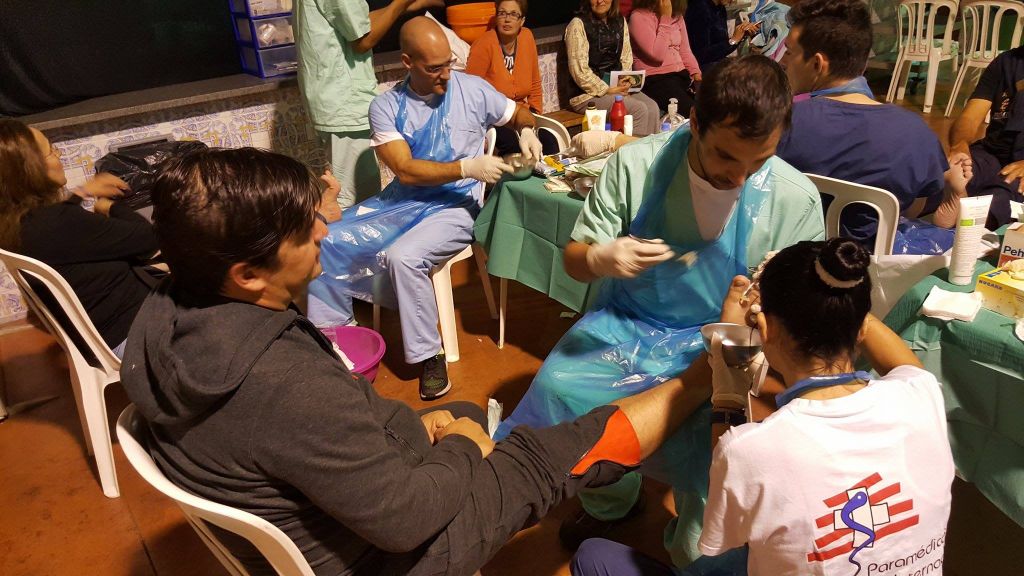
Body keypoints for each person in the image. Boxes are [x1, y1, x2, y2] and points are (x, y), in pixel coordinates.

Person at [122, 143, 736, 576]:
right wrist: (462, 446)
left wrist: (426, 430)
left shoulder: (167, 311)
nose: (324, 233)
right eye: (303, 231)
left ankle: (490, 456)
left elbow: (321, 431)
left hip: (334, 514)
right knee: (556, 447)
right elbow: (406, 520)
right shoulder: (282, 384)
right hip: (391, 555)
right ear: (247, 273)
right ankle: (698, 379)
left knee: (465, 409)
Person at [496, 55, 826, 568]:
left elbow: (799, 308)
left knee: (718, 442)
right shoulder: (637, 167)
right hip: (632, 323)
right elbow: (575, 260)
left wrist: (755, 319)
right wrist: (601, 258)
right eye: (725, 157)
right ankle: (611, 502)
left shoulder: (793, 199)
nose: (739, 177)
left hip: (726, 339)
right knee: (561, 387)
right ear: (694, 122)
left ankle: (697, 546)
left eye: (758, 162)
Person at [571, 238, 954, 576]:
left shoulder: (750, 452)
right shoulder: (921, 395)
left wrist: (728, 359)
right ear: (860, 328)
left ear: (765, 329)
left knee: (593, 557)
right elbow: (900, 363)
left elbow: (726, 536)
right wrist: (836, 299)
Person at [305, 17, 543, 400]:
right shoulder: (386, 107)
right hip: (403, 200)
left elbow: (517, 112)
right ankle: (337, 338)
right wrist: (467, 167)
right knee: (322, 238)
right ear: (407, 62)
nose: (446, 75)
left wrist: (528, 129)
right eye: (434, 68)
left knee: (403, 257)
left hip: (456, 206)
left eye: (448, 64)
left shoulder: (472, 89)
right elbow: (405, 169)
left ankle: (429, 355)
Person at [775, 0, 966, 253]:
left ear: (817, 64)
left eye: (790, 52)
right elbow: (910, 209)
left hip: (791, 253)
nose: (783, 62)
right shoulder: (916, 133)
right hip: (872, 260)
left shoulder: (779, 122)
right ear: (863, 63)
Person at [0, 119, 156, 357]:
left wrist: (82, 193)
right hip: (133, 335)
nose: (59, 155)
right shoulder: (58, 223)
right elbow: (149, 239)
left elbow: (63, 228)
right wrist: (111, 207)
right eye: (51, 151)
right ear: (31, 170)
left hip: (104, 334)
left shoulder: (16, 223)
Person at [296, 0, 438, 209]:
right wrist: (400, 2)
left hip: (336, 98)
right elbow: (362, 39)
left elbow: (356, 22)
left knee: (359, 196)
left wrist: (404, 6)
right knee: (356, 202)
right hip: (345, 100)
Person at [466, 0, 559, 157]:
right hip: (495, 118)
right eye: (502, 13)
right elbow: (469, 94)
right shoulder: (483, 45)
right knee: (515, 146)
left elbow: (535, 82)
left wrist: (536, 115)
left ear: (522, 20)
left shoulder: (527, 37)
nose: (507, 19)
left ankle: (550, 173)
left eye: (513, 14)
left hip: (523, 114)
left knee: (549, 140)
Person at [948, 45, 1024, 228]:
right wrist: (959, 145)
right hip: (992, 152)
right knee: (950, 174)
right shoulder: (1006, 62)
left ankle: (967, 227)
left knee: (999, 198)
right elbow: (970, 116)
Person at [566, 0, 661, 135]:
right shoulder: (577, 24)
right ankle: (632, 148)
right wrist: (607, 90)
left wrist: (623, 80)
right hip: (587, 95)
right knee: (638, 109)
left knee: (652, 108)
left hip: (616, 88)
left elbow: (626, 57)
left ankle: (651, 149)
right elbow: (579, 71)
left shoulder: (619, 20)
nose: (600, 1)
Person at [628, 0, 700, 114]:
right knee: (694, 111)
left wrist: (696, 73)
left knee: (711, 104)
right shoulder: (638, 17)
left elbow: (685, 51)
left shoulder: (677, 16)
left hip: (681, 76)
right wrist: (665, 17)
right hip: (655, 79)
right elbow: (657, 55)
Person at [685, 0, 760, 71]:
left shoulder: (720, 7)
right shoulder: (699, 8)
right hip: (701, 68)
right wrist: (733, 40)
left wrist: (741, 34)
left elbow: (722, 47)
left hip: (716, 63)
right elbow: (702, 55)